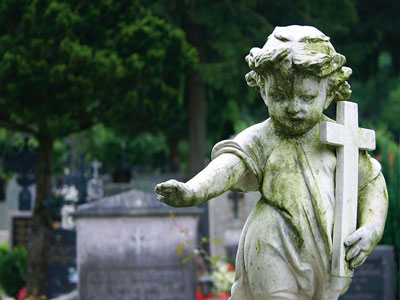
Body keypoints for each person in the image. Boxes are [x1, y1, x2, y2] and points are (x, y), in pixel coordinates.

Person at [155, 25, 388, 300]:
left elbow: (371, 185)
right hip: (272, 239)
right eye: (279, 96)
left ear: (330, 91)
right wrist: (193, 191)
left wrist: (372, 228)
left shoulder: (342, 137)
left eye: (307, 97)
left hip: (326, 252)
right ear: (263, 90)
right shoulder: (264, 137)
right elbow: (228, 166)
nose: (293, 107)